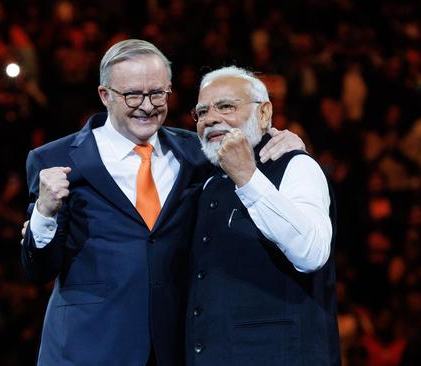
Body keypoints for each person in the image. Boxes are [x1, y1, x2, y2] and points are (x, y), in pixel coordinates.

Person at [20, 40, 304, 366]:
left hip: (175, 346)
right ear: (105, 95)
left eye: (158, 94)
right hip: (88, 347)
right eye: (132, 95)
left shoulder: (196, 153)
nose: (147, 106)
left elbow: (248, 156)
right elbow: (38, 269)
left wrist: (285, 140)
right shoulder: (54, 158)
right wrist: (44, 211)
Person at [186, 66, 340, 365]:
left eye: (226, 106)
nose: (211, 118)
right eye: (201, 112)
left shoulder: (296, 166)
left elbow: (311, 253)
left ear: (264, 113)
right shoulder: (206, 182)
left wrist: (248, 178)